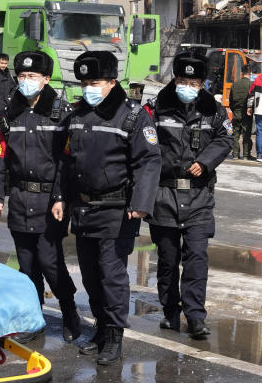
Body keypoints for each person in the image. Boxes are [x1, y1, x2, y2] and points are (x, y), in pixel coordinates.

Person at [51, 51, 161, 366]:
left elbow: (149, 160)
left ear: (112, 82)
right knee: (90, 275)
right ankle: (100, 328)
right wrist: (60, 197)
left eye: (94, 81)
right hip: (84, 210)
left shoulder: (133, 115)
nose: (88, 87)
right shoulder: (76, 115)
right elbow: (66, 162)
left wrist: (141, 203)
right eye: (84, 82)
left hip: (119, 210)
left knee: (112, 275)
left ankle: (114, 336)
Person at [0, 51, 81, 344]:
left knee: (50, 262)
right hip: (19, 198)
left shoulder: (60, 112)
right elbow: (0, 156)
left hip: (49, 202)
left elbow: (67, 162)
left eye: (33, 77)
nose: (26, 81)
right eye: (22, 76)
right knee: (26, 265)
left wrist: (61, 198)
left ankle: (69, 313)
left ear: (46, 79)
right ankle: (33, 318)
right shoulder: (9, 112)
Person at [149, 52, 232, 340]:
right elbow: (144, 144)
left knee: (196, 257)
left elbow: (225, 138)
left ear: (202, 83)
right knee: (168, 259)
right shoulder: (156, 108)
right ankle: (170, 312)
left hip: (198, 197)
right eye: (183, 80)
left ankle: (195, 316)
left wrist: (206, 161)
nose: (188, 86)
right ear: (175, 79)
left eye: (194, 82)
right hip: (164, 196)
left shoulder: (213, 110)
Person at [229, 64, 254, 160]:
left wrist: (234, 109)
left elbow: (231, 100)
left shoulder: (235, 84)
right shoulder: (251, 84)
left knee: (235, 134)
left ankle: (235, 154)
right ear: (250, 73)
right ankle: (246, 155)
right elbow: (252, 99)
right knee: (246, 134)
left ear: (241, 73)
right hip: (247, 113)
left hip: (236, 112)